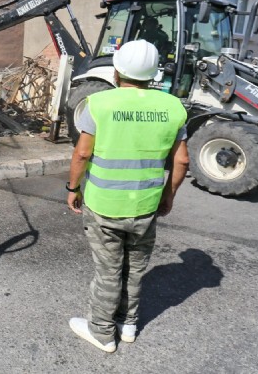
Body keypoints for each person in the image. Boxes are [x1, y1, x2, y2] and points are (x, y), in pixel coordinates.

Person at [66, 40, 189, 353]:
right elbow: (182, 161)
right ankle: (128, 324)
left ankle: (102, 333)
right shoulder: (173, 107)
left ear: (117, 69)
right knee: (134, 269)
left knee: (108, 271)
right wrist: (169, 195)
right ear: (153, 74)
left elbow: (82, 154)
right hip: (145, 205)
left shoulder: (99, 103)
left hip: (104, 205)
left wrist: (72, 188)